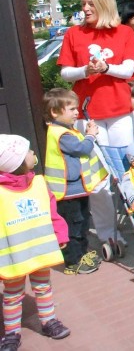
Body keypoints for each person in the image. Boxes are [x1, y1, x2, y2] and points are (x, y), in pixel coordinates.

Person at [57, 0, 134, 247]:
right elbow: (65, 73)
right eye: (83, 4)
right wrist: (85, 71)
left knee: (127, 170)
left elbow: (128, 70)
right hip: (87, 116)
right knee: (99, 180)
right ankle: (108, 234)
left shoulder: (123, 32)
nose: (85, 8)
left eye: (90, 4)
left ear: (104, 5)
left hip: (120, 114)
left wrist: (105, 67)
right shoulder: (73, 33)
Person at [0, 135, 71, 350]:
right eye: (29, 151)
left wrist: (60, 234)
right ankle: (12, 333)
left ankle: (49, 321)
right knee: (12, 295)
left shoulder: (39, 184)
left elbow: (52, 212)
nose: (33, 154)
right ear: (18, 161)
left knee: (43, 287)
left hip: (40, 251)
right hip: (14, 257)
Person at [43, 88, 108, 275]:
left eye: (76, 108)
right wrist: (91, 135)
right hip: (67, 191)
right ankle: (73, 261)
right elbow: (82, 148)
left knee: (82, 222)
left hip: (77, 189)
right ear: (55, 112)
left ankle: (82, 254)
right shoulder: (61, 134)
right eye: (71, 109)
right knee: (73, 226)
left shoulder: (67, 130)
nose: (76, 112)